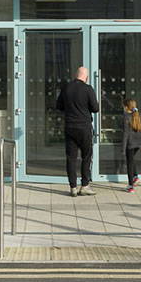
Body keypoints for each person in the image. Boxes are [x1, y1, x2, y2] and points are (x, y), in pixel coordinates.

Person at [55, 66, 99, 197]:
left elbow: (59, 106)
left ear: (76, 75)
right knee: (86, 156)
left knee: (71, 158)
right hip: (84, 127)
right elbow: (95, 108)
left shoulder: (66, 88)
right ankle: (84, 185)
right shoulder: (88, 89)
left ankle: (73, 187)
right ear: (86, 77)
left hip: (70, 127)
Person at [121, 98, 141, 193]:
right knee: (131, 159)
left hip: (130, 143)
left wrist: (123, 148)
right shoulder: (139, 115)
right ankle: (135, 177)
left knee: (129, 163)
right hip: (138, 143)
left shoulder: (126, 117)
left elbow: (126, 133)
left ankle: (130, 186)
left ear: (126, 107)